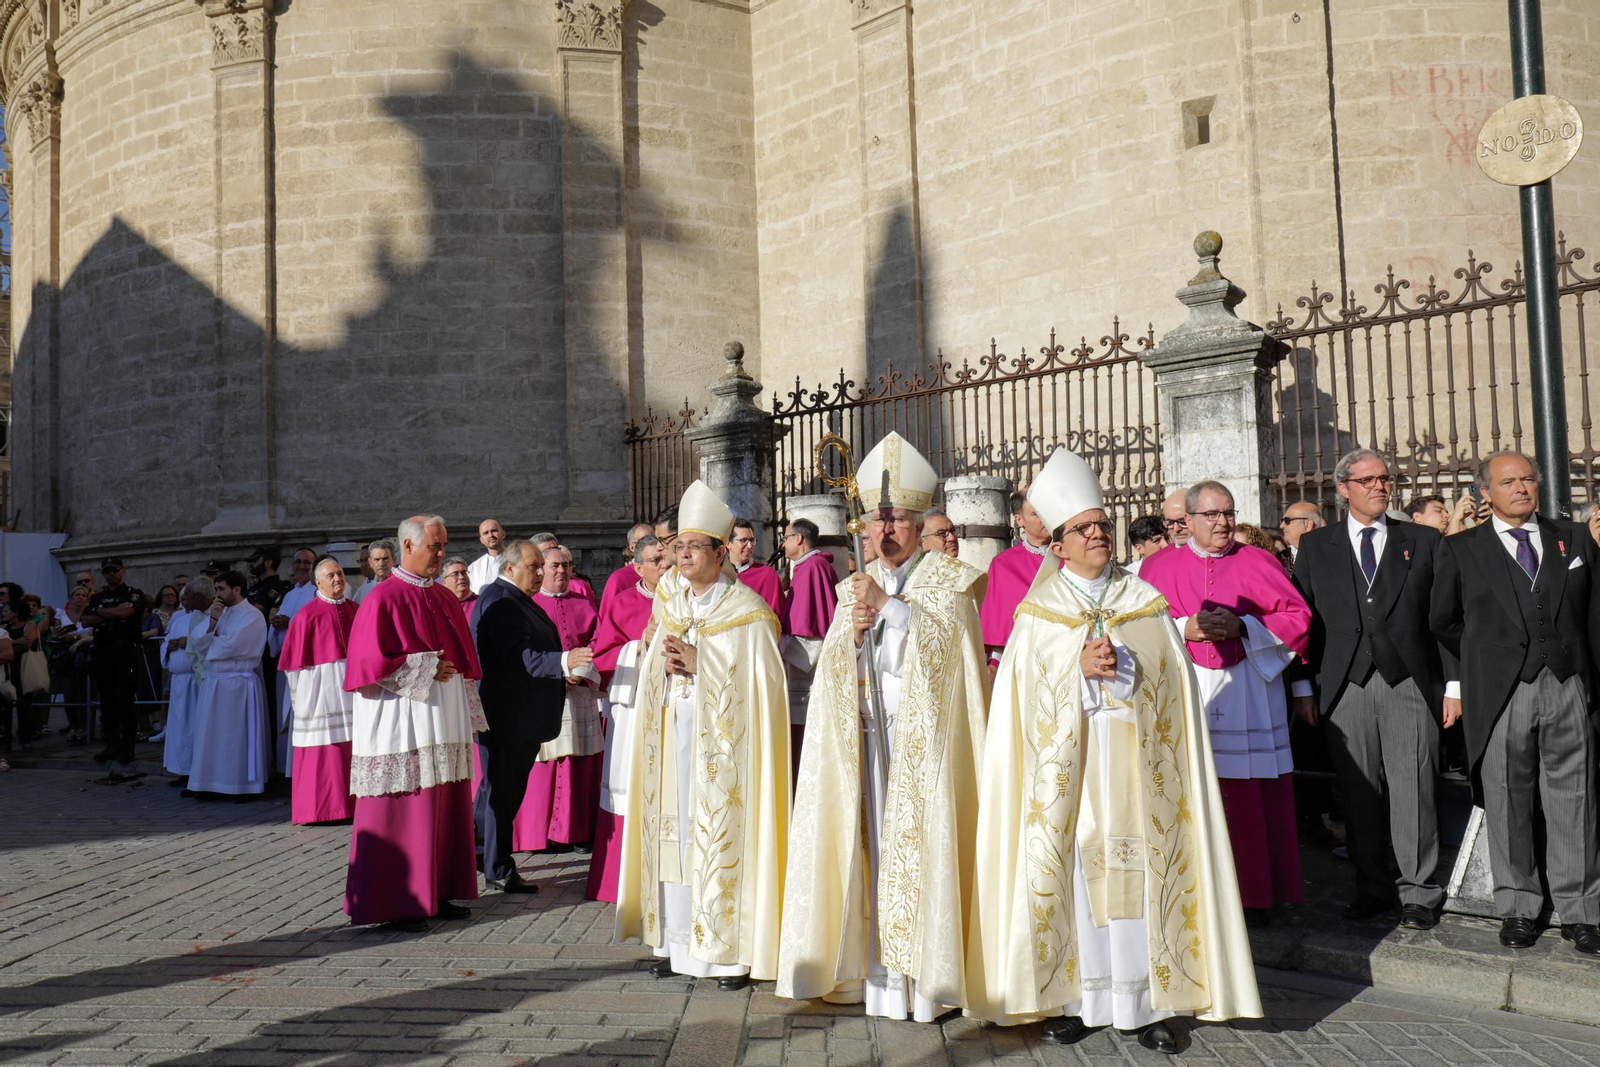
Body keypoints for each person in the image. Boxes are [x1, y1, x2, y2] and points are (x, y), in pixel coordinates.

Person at [967, 447, 1259, 1054]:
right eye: (1084, 528)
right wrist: (1073, 668)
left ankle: (1142, 1004)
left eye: (1102, 524)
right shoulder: (1037, 615)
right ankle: (1076, 1001)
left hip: (1134, 769)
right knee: (1073, 879)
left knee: (1142, 877)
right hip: (1068, 775)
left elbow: (1172, 680)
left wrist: (1124, 666)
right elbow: (1021, 693)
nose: (1098, 534)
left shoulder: (1142, 602)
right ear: (1059, 545)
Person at [777, 432, 988, 1021]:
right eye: (877, 520)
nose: (885, 530)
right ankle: (878, 976)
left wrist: (891, 611)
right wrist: (852, 633)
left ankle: (927, 980)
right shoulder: (851, 587)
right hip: (865, 739)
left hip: (925, 746)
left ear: (921, 526)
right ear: (863, 528)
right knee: (867, 850)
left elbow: (950, 657)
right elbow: (833, 674)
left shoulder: (953, 581)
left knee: (920, 851)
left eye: (897, 520)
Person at [617, 481, 790, 991]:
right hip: (673, 741)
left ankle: (726, 956)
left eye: (694, 546)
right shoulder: (670, 602)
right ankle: (673, 944)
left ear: (721, 553)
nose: (682, 554)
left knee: (715, 841)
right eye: (677, 547)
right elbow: (654, 663)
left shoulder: (747, 611)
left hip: (723, 756)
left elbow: (766, 685)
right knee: (672, 836)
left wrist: (703, 662)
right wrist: (659, 661)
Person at [1430, 451, 1600, 956]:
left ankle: (1581, 910)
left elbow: (1592, 611)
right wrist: (1486, 661)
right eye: (1509, 481)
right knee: (1506, 797)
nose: (1522, 487)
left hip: (1568, 683)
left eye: (1528, 478)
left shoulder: (1572, 537)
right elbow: (1444, 621)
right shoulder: (1460, 549)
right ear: (1486, 492)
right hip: (1501, 690)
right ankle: (1519, 905)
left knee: (1577, 797)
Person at [1139, 481, 1312, 924]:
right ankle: (1188, 891)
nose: (1223, 522)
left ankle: (1254, 895)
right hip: (1187, 687)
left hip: (1248, 690)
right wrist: (1183, 631)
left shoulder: (1260, 560)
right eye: (1212, 515)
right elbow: (1135, 630)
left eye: (1228, 513)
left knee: (1250, 793)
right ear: (1189, 521)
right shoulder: (1156, 567)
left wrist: (1244, 627)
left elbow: (1298, 618)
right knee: (1187, 789)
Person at [1291, 449, 1449, 929]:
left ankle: (1419, 890)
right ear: (1344, 489)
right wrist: (1303, 686)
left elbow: (1445, 618)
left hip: (1409, 683)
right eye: (1369, 480)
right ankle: (1372, 887)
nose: (1380, 487)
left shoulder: (1422, 541)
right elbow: (1304, 622)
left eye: (1385, 479)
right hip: (1345, 686)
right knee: (1357, 793)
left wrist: (1454, 687)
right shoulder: (1318, 548)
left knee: (1414, 787)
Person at [343, 516, 486, 932]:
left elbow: (462, 659)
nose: (441, 554)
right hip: (401, 717)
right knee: (408, 805)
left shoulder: (443, 597)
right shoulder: (381, 597)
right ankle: (400, 899)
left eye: (443, 546)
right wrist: (424, 664)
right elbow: (366, 663)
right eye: (434, 547)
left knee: (443, 802)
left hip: (443, 715)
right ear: (407, 545)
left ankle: (436, 891)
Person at [472, 539, 574, 893]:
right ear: (510, 567)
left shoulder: (514, 600)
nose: (542, 573)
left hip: (516, 714)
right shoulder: (502, 603)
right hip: (509, 715)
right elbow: (521, 658)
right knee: (503, 792)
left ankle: (480, 853)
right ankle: (498, 867)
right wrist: (563, 662)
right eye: (534, 567)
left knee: (495, 791)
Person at [585, 534, 670, 902]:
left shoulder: (686, 599)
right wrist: (641, 644)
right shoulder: (622, 603)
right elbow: (602, 656)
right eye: (656, 561)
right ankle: (620, 880)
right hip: (634, 707)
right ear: (638, 567)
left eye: (666, 560)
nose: (665, 567)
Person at [511, 544, 602, 853]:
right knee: (544, 764)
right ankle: (540, 835)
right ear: (541, 570)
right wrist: (561, 669)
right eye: (555, 566)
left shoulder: (584, 602)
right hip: (543, 693)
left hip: (578, 694)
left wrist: (585, 670)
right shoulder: (528, 604)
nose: (562, 570)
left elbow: (598, 641)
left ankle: (575, 831)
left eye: (567, 565)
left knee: (578, 762)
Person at [280, 557, 361, 824]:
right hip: (318, 693)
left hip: (354, 691)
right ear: (318, 582)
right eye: (331, 576)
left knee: (354, 746)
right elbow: (293, 667)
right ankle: (322, 809)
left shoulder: (357, 610)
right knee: (325, 749)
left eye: (340, 573)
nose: (338, 579)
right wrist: (300, 701)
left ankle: (357, 805)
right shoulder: (305, 615)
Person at [186, 571, 271, 797]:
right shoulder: (219, 613)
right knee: (211, 736)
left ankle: (239, 786)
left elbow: (233, 646)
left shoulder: (252, 615)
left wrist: (211, 642)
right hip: (215, 682)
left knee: (235, 737)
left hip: (237, 683)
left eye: (221, 589)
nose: (217, 595)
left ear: (236, 589)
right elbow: (197, 640)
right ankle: (209, 783)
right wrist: (213, 620)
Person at [779, 517, 836, 774]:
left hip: (806, 664)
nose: (783, 544)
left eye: (786, 537)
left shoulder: (814, 566)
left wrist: (777, 649)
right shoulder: (806, 566)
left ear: (798, 539)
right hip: (798, 659)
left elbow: (813, 629)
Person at [81, 558, 150, 764]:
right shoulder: (97, 597)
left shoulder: (133, 594)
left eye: (114, 570)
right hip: (103, 654)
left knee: (125, 702)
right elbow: (85, 620)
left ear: (123, 571)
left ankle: (128, 748)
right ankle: (111, 746)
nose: (111, 574)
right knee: (107, 702)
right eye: (107, 571)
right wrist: (113, 614)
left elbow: (126, 612)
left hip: (125, 653)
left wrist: (100, 612)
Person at [980, 489, 1055, 669]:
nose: (1045, 518)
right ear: (1019, 520)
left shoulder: (1072, 556)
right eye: (1036, 514)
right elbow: (998, 624)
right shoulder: (1003, 565)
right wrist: (995, 664)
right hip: (1022, 660)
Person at [265, 548, 318, 776]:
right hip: (287, 661)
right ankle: (286, 768)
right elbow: (283, 621)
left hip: (307, 664)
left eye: (307, 562)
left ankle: (300, 770)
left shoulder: (317, 591)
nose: (302, 566)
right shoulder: (288, 594)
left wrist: (290, 622)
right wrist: (277, 624)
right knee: (285, 714)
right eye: (298, 562)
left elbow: (315, 623)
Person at [160, 579, 211, 789]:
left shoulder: (204, 617)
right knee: (179, 729)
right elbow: (165, 641)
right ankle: (181, 769)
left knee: (193, 727)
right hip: (179, 681)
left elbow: (206, 642)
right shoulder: (178, 619)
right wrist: (169, 646)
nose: (185, 603)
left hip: (194, 680)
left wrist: (186, 643)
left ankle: (195, 771)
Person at [728, 518, 783, 613]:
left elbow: (775, 616)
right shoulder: (717, 574)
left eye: (752, 540)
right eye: (744, 540)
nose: (749, 546)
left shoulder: (767, 575)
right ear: (728, 544)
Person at [597, 523, 656, 607]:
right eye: (645, 541)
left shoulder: (664, 572)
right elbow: (608, 615)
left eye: (655, 540)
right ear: (632, 547)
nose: (652, 545)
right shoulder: (618, 579)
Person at [468, 518, 509, 594]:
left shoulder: (518, 559)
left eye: (494, 531)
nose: (491, 535)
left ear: (503, 534)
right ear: (481, 540)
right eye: (486, 533)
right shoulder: (473, 569)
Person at [1280, 501, 1325, 567]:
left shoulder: (1327, 554)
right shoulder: (1280, 555)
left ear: (1308, 524)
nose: (1281, 526)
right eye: (1282, 520)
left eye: (1287, 520)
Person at [351, 539, 396, 604]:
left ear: (394, 560)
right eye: (377, 560)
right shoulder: (363, 591)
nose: (381, 564)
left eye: (385, 559)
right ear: (370, 563)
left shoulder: (404, 587)